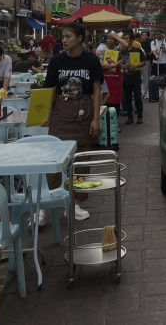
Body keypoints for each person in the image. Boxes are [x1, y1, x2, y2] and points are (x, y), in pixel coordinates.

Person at [42, 22, 103, 223]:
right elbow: (50, 90)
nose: (64, 40)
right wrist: (45, 115)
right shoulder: (56, 62)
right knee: (54, 159)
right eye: (63, 36)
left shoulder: (91, 60)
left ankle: (74, 203)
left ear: (79, 38)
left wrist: (96, 118)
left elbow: (96, 90)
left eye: (68, 36)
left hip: (84, 114)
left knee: (82, 160)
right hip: (60, 114)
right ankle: (52, 200)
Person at [120, 37, 145, 125]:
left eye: (127, 38)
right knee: (127, 98)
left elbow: (143, 62)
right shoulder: (121, 51)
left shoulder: (137, 50)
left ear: (131, 40)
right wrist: (124, 66)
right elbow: (117, 65)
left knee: (138, 97)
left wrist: (135, 66)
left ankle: (139, 116)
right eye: (123, 38)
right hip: (125, 78)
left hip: (136, 77)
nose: (124, 40)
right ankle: (130, 117)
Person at [138, 30, 152, 99]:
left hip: (147, 61)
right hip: (139, 62)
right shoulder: (138, 43)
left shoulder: (149, 43)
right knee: (140, 78)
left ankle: (146, 93)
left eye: (145, 35)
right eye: (143, 35)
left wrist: (148, 54)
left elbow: (151, 52)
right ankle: (142, 93)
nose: (144, 36)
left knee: (146, 77)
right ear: (141, 36)